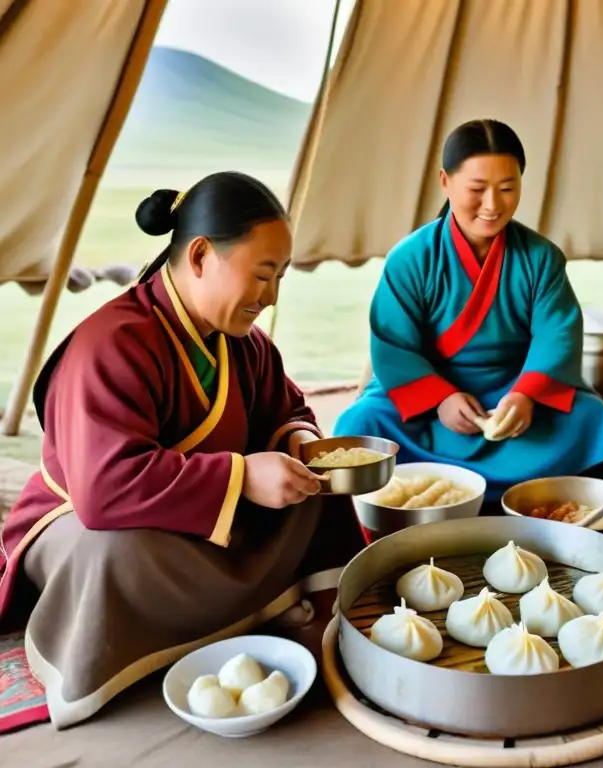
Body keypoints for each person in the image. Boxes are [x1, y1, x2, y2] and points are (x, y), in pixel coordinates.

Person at [0, 172, 364, 728]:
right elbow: (104, 489)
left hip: (202, 514)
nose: (269, 298)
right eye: (262, 274)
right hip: (92, 522)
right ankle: (226, 616)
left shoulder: (245, 346)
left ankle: (259, 610)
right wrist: (242, 478)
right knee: (112, 555)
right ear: (199, 256)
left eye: (280, 278)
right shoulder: (111, 344)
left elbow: (287, 410)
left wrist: (298, 442)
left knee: (314, 488)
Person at [334, 119, 603, 498]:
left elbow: (557, 336)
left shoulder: (541, 258)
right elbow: (393, 347)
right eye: (477, 189)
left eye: (507, 189)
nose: (492, 205)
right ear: (445, 182)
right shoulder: (411, 258)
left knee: (590, 417)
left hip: (512, 393)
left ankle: (537, 506)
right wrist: (440, 398)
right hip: (428, 396)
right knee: (362, 420)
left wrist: (526, 394)